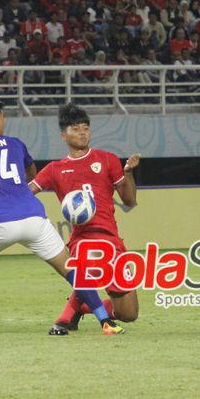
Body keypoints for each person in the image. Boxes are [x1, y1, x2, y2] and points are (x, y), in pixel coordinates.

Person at [0, 99, 124, 338]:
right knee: (70, 268)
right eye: (3, 118)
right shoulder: (16, 144)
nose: (4, 123)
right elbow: (31, 175)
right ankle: (106, 322)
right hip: (34, 219)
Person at [29, 103, 140, 335]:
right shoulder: (54, 169)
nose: (82, 132)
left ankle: (79, 306)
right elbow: (27, 193)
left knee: (129, 314)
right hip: (82, 239)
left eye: (85, 128)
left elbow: (129, 200)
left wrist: (128, 172)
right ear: (63, 135)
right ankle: (64, 318)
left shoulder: (107, 159)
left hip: (111, 239)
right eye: (75, 128)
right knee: (87, 259)